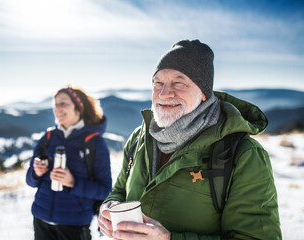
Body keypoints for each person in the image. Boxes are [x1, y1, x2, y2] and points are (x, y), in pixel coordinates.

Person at [98, 40, 282, 239]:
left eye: (178, 82)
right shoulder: (139, 138)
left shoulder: (243, 154)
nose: (164, 94)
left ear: (203, 93)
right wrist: (110, 207)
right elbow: (119, 190)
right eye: (158, 83)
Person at [26, 85, 112, 240]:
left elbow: (104, 190)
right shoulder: (47, 138)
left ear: (78, 109)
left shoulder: (94, 143)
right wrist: (36, 173)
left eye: (63, 103)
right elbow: (30, 181)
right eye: (56, 104)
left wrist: (73, 182)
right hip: (41, 220)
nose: (58, 108)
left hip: (74, 225)